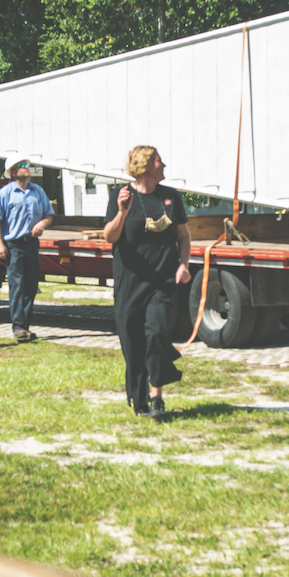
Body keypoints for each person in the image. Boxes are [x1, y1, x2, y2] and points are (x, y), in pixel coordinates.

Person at [104, 146, 191, 419]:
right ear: (144, 166)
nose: (163, 164)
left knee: (156, 333)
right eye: (158, 160)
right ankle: (138, 401)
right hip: (130, 282)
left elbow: (184, 235)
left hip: (162, 281)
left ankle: (157, 398)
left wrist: (184, 265)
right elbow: (109, 237)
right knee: (133, 344)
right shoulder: (122, 196)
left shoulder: (170, 197)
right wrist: (121, 212)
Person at [0, 155, 54, 342]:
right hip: (14, 245)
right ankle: (18, 327)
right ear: (12, 172)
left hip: (32, 244)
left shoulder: (38, 191)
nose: (28, 168)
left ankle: (25, 327)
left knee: (31, 286)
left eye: (28, 165)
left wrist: (42, 223)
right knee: (17, 286)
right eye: (23, 165)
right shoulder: (5, 193)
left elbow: (49, 215)